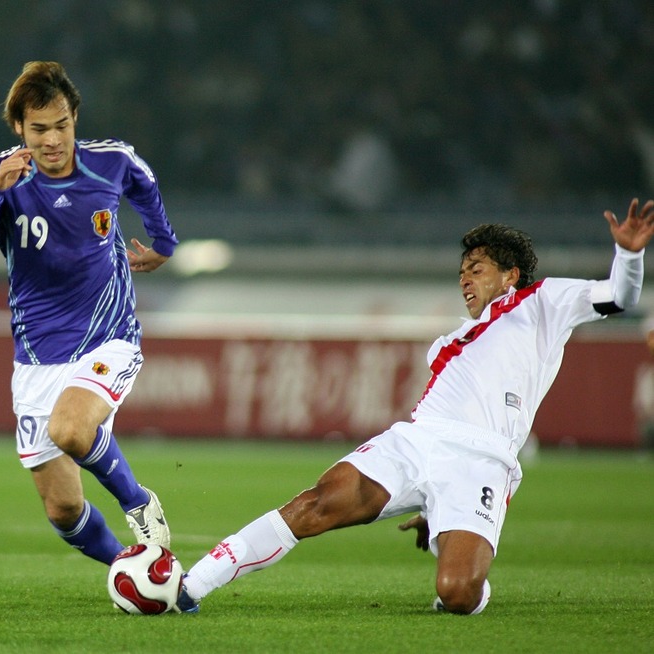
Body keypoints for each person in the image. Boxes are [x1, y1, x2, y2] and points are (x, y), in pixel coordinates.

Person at [175, 198, 654, 615]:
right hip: (417, 441)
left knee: (458, 593)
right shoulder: (448, 343)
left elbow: (620, 295)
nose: (465, 280)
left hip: (482, 461)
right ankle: (188, 587)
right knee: (314, 505)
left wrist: (628, 254)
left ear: (510, 274)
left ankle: (453, 539)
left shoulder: (545, 302)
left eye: (477, 269)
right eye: (462, 272)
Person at [0, 61, 178, 565]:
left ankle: (138, 502)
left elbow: (146, 185)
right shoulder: (0, 176)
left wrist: (163, 242)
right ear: (18, 129)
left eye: (63, 125)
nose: (53, 141)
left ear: (75, 118)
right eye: (39, 129)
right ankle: (134, 571)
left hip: (106, 338)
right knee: (63, 508)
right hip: (35, 358)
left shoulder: (110, 162)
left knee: (71, 430)